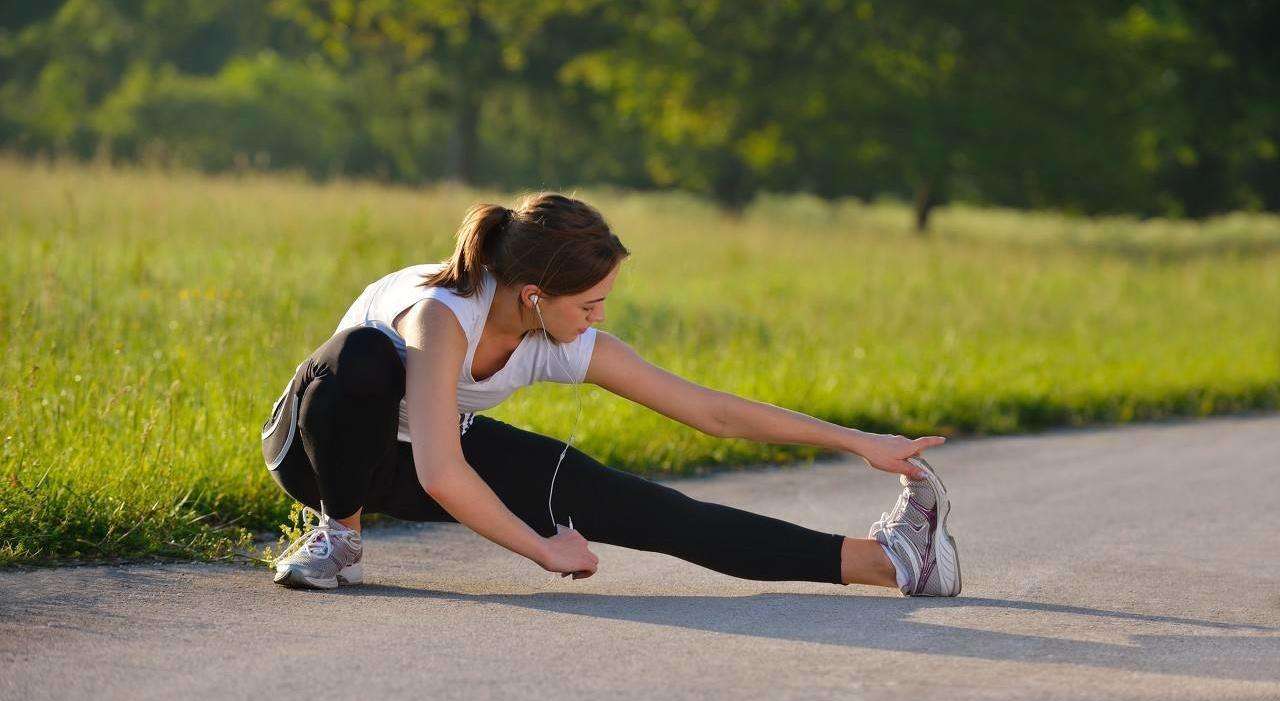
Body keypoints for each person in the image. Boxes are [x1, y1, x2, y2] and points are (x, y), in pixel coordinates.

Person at [259, 192, 961, 596]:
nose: (598, 319)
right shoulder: (443, 316)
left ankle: (893, 562)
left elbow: (709, 411)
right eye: (589, 304)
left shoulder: (556, 333)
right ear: (535, 296)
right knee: (361, 359)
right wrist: (543, 549)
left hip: (420, 457)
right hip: (316, 452)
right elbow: (442, 472)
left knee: (650, 509)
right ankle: (339, 536)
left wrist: (858, 442)